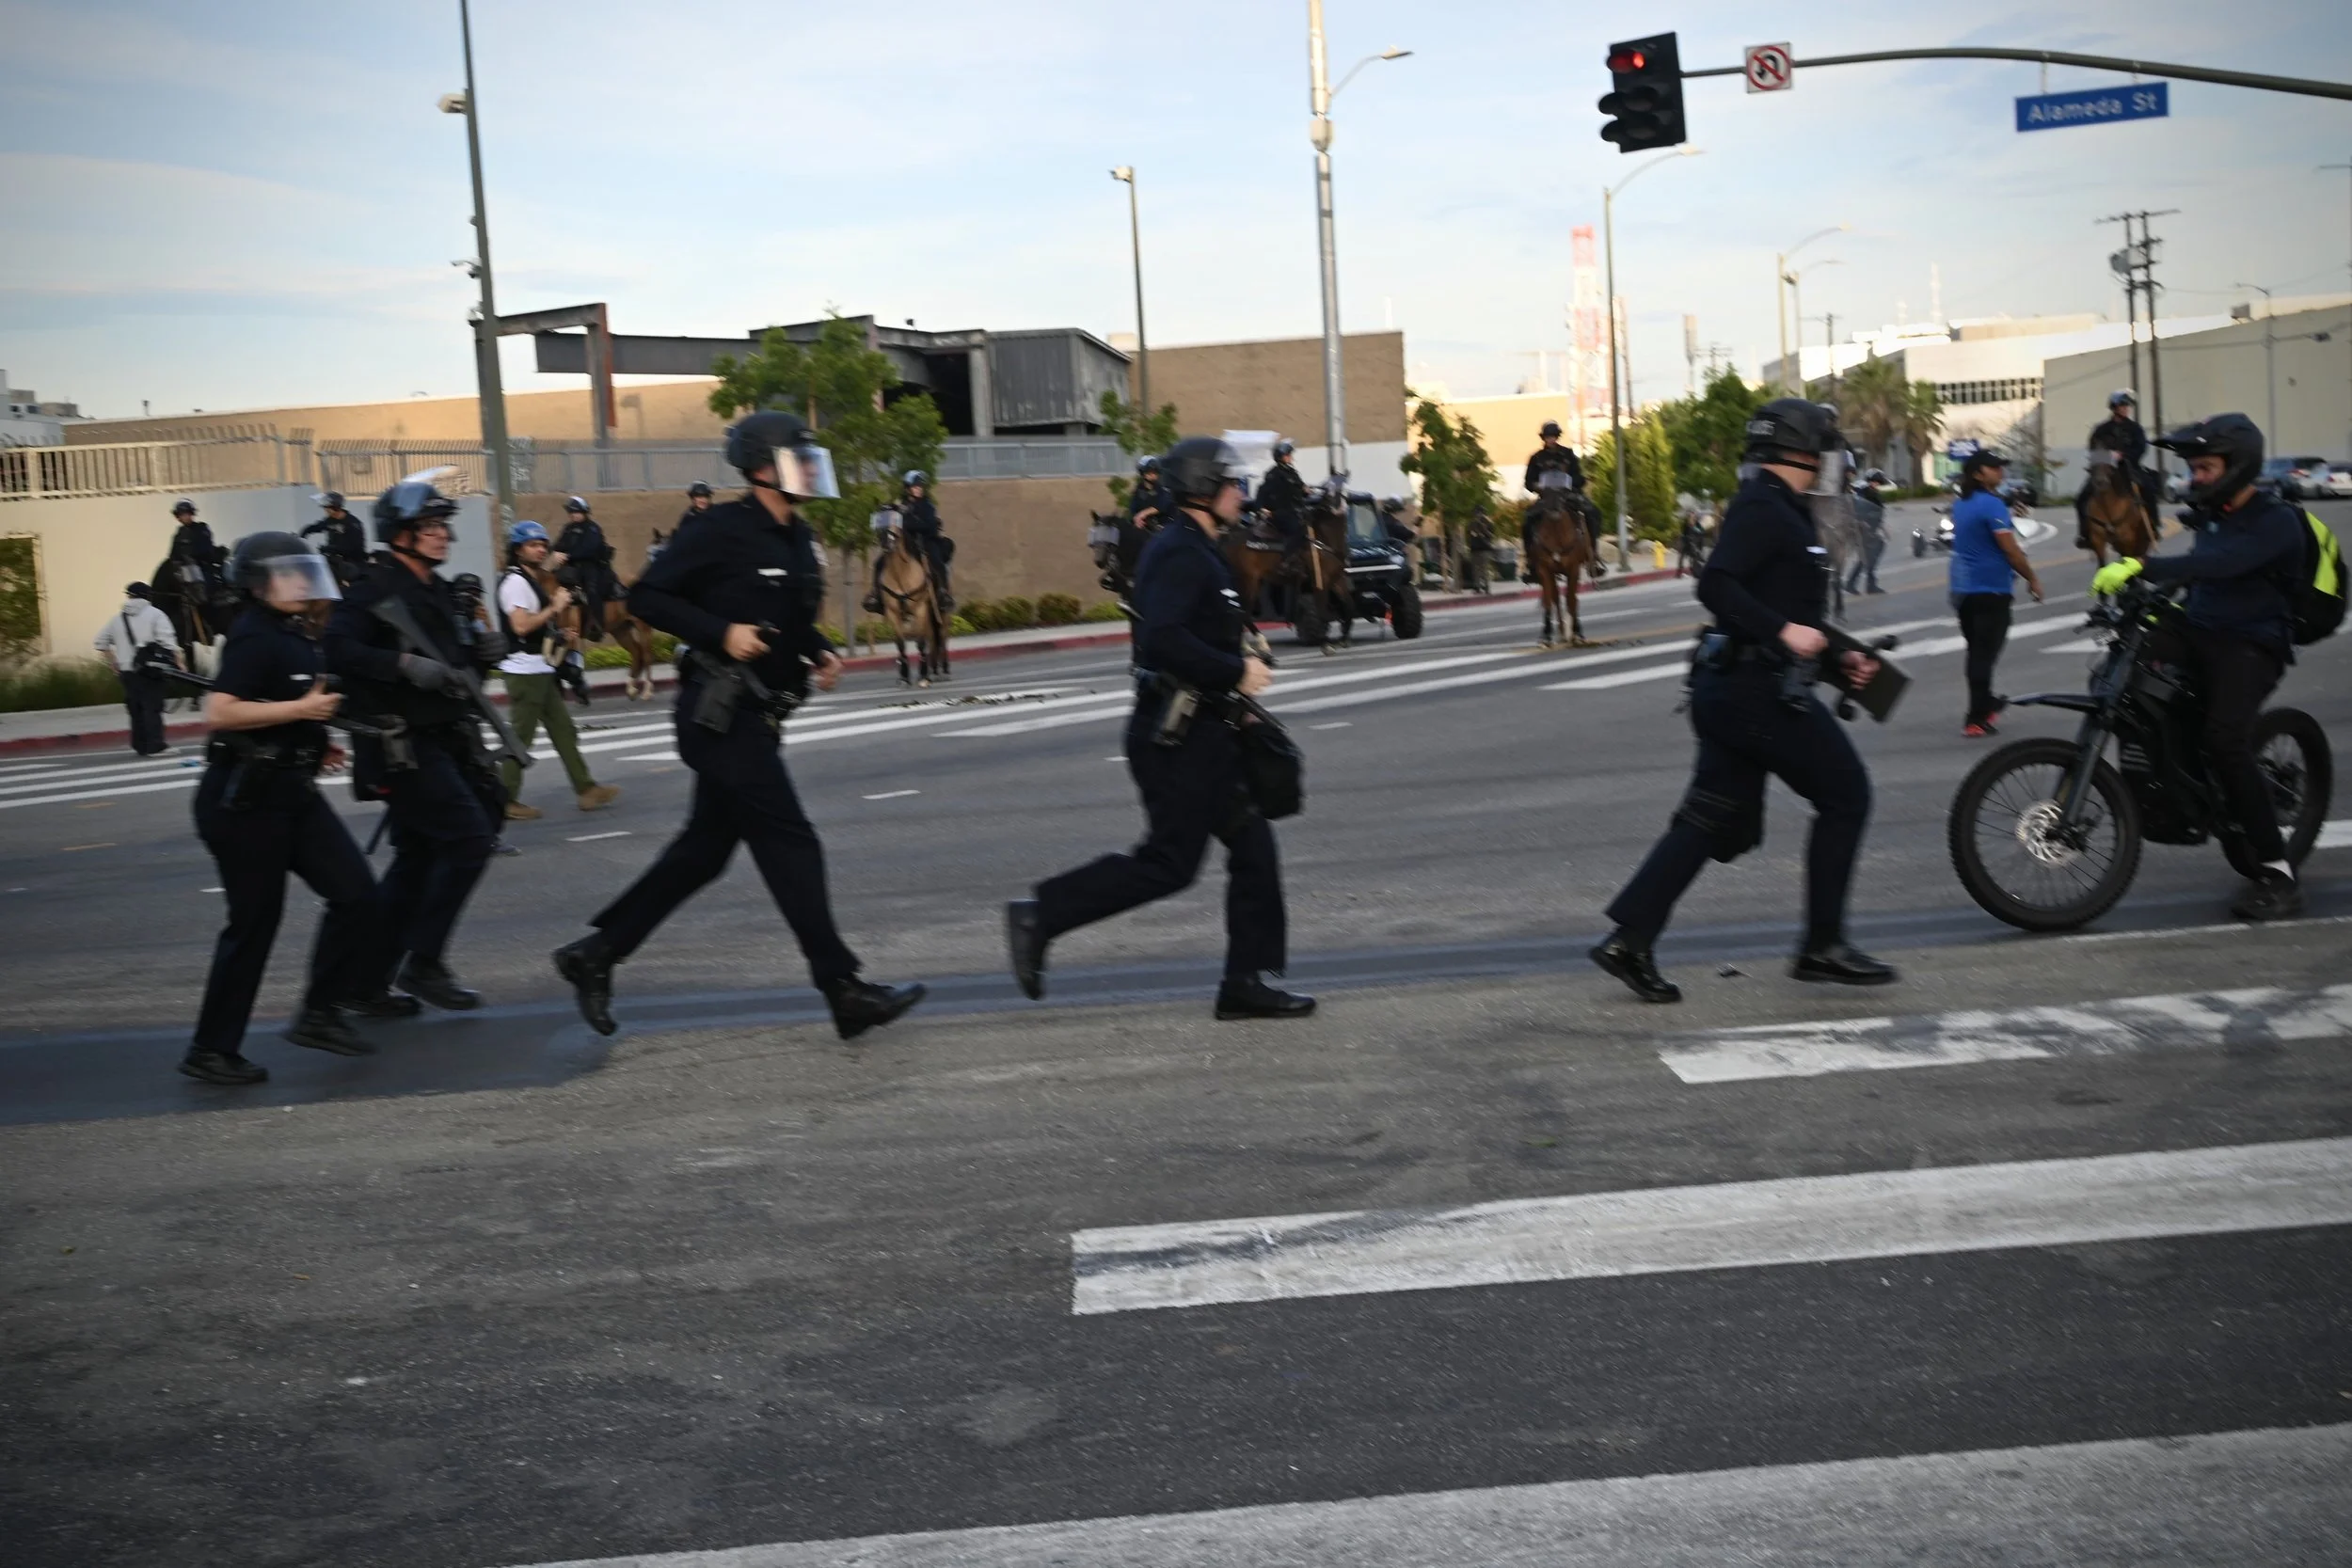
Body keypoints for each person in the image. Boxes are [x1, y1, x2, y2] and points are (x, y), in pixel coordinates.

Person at [549, 411, 926, 1042]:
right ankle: (842, 987)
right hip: (718, 715)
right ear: (762, 467)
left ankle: (596, 953)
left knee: (703, 852)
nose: (811, 467)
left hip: (759, 715)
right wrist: (721, 633)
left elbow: (785, 615)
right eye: (798, 456)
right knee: (791, 839)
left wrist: (817, 649)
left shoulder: (795, 535)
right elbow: (648, 597)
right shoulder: (719, 528)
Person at [1592, 398, 1893, 1004]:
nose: (1830, 463)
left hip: (1736, 686)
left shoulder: (1783, 508)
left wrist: (1842, 660)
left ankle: (1630, 940)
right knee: (1846, 795)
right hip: (1754, 692)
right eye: (1824, 451)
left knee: (1709, 816)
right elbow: (1716, 585)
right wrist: (1784, 634)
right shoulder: (1762, 506)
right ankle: (1823, 946)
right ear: (1799, 452)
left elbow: (1793, 615)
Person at [1006, 436, 1311, 1021]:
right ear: (1202, 488)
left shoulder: (1203, 548)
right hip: (1174, 739)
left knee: (1253, 846)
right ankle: (1040, 914)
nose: (1239, 491)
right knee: (1169, 863)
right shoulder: (1177, 551)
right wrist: (1235, 672)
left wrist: (1239, 678)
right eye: (1230, 481)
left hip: (1208, 730)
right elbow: (1163, 638)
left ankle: (1245, 983)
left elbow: (1202, 630)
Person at [179, 533, 384, 1085]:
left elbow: (279, 707)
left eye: (302, 571)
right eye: (287, 573)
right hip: (245, 803)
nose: (300, 582)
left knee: (358, 896)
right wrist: (302, 710)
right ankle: (211, 1049)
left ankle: (320, 1013)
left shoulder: (295, 633)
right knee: (253, 926)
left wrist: (315, 741)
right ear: (257, 583)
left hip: (292, 793)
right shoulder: (253, 635)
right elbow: (221, 712)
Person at [2094, 414, 2312, 921]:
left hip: (2252, 642)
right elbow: (2200, 578)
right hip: (2201, 628)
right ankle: (2177, 786)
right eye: (2193, 469)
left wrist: (2145, 564)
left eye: (2206, 468)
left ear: (2237, 466)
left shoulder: (2276, 520)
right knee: (2122, 675)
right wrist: (2137, 596)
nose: (2197, 477)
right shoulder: (2212, 515)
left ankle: (2278, 872)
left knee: (2225, 740)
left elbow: (2221, 565)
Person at [326, 475, 506, 1011]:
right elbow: (336, 650)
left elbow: (455, 670)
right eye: (429, 526)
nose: (441, 534)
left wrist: (486, 654)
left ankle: (364, 983)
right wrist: (400, 663)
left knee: (418, 863)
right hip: (401, 747)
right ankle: (423, 962)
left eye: (442, 524)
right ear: (400, 533)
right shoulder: (372, 587)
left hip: (447, 739)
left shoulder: (437, 590)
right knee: (468, 839)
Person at [496, 519, 619, 820]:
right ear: (517, 550)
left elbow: (535, 625)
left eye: (542, 545)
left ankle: (586, 789)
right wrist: (554, 607)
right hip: (524, 672)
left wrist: (557, 633)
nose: (540, 550)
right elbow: (521, 627)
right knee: (520, 738)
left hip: (539, 668)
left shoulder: (530, 579)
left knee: (564, 730)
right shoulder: (515, 583)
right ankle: (503, 799)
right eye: (532, 545)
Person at [1947, 450, 2044, 736]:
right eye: (1994, 468)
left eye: (2001, 467)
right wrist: (2032, 578)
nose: (2000, 472)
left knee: (1977, 651)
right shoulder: (1992, 505)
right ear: (1978, 473)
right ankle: (1976, 717)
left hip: (1962, 589)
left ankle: (1985, 703)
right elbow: (2010, 550)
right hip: (1990, 589)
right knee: (1984, 653)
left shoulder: (1961, 503)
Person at [93, 582, 182, 756]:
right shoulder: (156, 615)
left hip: (127, 672)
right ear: (148, 596)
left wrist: (113, 661)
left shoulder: (117, 619)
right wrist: (179, 662)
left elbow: (100, 642)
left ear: (129, 596)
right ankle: (155, 746)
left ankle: (140, 745)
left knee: (135, 709)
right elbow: (168, 643)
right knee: (152, 707)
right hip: (150, 671)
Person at [2074, 389, 2161, 550]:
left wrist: (2123, 455)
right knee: (2081, 498)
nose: (2126, 409)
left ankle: (2153, 527)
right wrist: (2108, 456)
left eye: (2127, 406)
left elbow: (2141, 448)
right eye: (2122, 405)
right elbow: (2093, 449)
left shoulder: (2135, 428)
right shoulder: (2101, 429)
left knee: (2149, 489)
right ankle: (2085, 534)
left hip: (2128, 467)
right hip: (2104, 468)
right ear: (2114, 407)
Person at [1523, 421, 1589, 579]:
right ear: (1543, 438)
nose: (1550, 439)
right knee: (1527, 521)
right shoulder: (1536, 458)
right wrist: (1536, 485)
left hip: (1567, 496)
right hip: (1546, 498)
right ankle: (1531, 562)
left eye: (1553, 436)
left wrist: (1571, 483)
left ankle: (1593, 557)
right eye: (1548, 437)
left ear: (1557, 437)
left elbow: (1579, 477)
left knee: (1592, 514)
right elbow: (1528, 481)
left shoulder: (1568, 454)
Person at [551, 497, 618, 639]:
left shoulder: (592, 528)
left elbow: (589, 549)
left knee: (592, 591)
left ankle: (597, 626)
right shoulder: (568, 528)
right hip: (571, 567)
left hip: (590, 566)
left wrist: (568, 556)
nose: (573, 515)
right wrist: (556, 552)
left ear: (584, 512)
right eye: (571, 512)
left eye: (576, 512)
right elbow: (559, 544)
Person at [897, 471, 953, 611]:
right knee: (881, 562)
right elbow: (895, 523)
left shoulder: (928, 506)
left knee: (937, 562)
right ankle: (876, 594)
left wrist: (909, 524)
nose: (918, 489)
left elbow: (930, 526)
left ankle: (944, 592)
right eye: (915, 487)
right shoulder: (902, 506)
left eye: (920, 487)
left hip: (926, 541)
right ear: (908, 489)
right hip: (907, 543)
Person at [300, 492, 370, 587]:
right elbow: (315, 527)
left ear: (335, 507)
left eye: (328, 507)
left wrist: (333, 548)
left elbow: (357, 548)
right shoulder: (330, 520)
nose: (325, 510)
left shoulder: (352, 523)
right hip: (335, 559)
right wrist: (303, 535)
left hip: (351, 563)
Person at [1257, 438, 1311, 549]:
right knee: (1296, 530)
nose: (1291, 457)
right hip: (1282, 513)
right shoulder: (1273, 474)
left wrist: (1305, 490)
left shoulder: (1292, 472)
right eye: (1288, 455)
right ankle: (1289, 556)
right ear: (1280, 457)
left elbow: (1300, 489)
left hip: (1296, 511)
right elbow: (1262, 492)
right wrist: (1262, 508)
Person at [1844, 470, 1888, 595]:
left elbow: (1876, 511)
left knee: (1867, 557)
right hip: (1864, 529)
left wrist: (1882, 527)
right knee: (1868, 556)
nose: (1877, 484)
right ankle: (1864, 585)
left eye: (1878, 483)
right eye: (1875, 482)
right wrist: (1863, 523)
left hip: (1870, 528)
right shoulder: (1864, 492)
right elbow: (1859, 510)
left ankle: (1855, 583)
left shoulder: (1870, 492)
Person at [1465, 508, 1495, 593]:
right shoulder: (1472, 524)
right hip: (1475, 549)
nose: (1477, 515)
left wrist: (1483, 530)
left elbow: (1491, 536)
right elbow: (1469, 535)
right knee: (1475, 569)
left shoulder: (1488, 523)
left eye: (1479, 513)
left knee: (1484, 569)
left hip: (1484, 549)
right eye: (1476, 513)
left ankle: (1486, 587)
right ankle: (1477, 587)